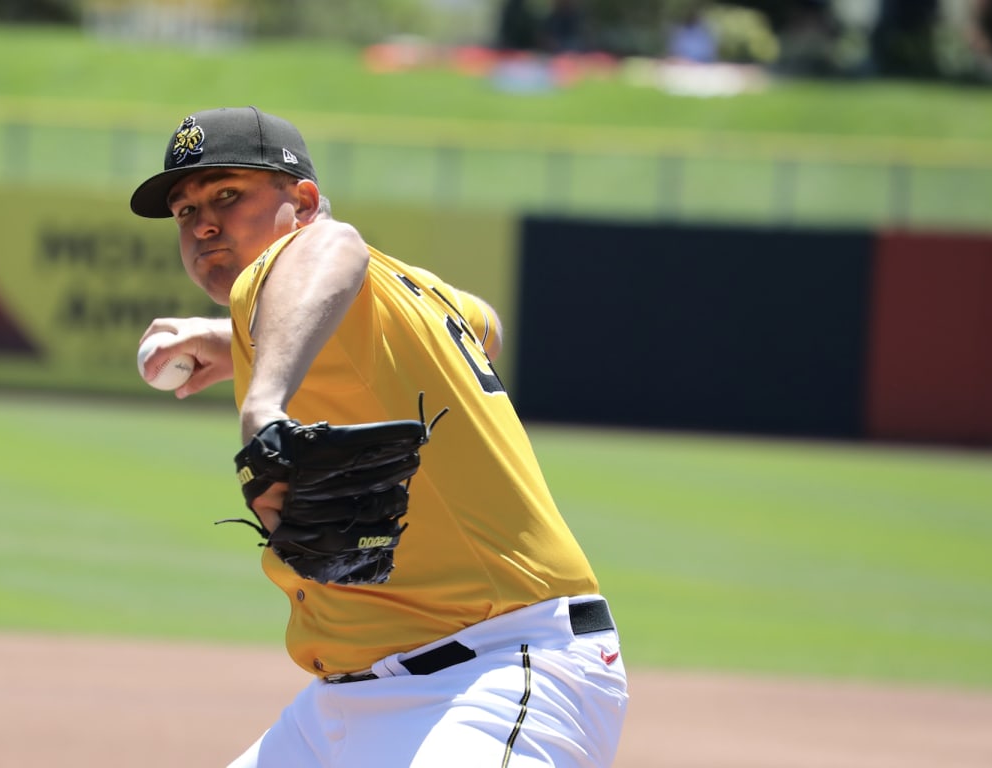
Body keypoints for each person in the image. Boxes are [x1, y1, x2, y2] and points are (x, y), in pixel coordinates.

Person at [131, 106, 627, 767]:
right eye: (186, 211)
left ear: (303, 200)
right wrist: (237, 340)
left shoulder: (305, 257)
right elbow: (487, 327)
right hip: (341, 706)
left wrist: (264, 399)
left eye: (228, 194)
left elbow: (332, 246)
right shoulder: (418, 290)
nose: (205, 223)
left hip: (495, 674)